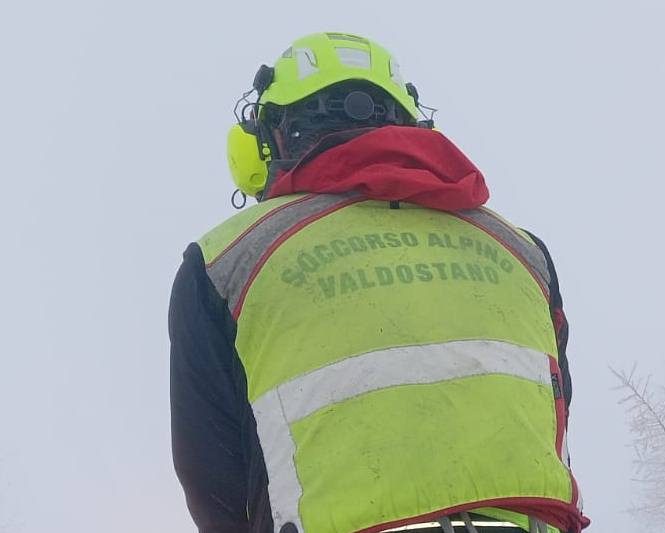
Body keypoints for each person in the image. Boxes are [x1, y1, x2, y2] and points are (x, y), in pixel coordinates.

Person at [169, 32, 590, 533]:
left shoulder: (228, 260)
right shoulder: (522, 251)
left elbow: (213, 477)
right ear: (410, 122)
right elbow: (556, 411)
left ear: (273, 135)